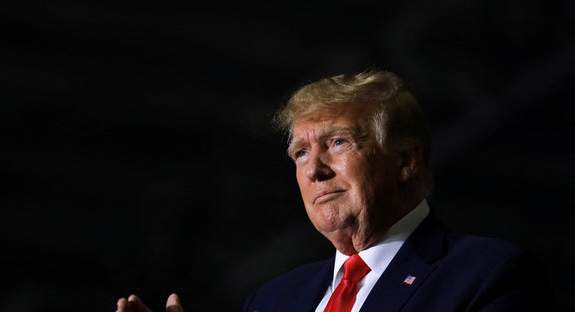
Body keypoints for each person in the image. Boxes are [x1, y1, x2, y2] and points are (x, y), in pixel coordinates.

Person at [116, 70, 552, 312]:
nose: (315, 171)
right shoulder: (272, 301)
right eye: (301, 154)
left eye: (338, 143)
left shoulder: (488, 275)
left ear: (405, 160)